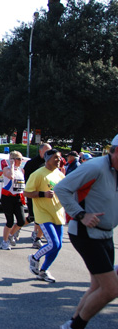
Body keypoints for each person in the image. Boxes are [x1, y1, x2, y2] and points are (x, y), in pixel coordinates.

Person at [55, 134, 118, 329]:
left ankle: (71, 324)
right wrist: (81, 214)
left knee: (97, 286)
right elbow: (61, 188)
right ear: (115, 151)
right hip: (86, 233)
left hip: (106, 233)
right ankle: (76, 326)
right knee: (111, 289)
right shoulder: (95, 166)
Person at [24, 148, 66, 283]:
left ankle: (43, 271)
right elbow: (27, 193)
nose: (59, 160)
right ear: (47, 159)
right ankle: (34, 258)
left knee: (58, 246)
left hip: (57, 213)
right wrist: (43, 194)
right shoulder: (38, 174)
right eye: (56, 157)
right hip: (43, 214)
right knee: (53, 243)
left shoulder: (60, 174)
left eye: (59, 158)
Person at [24, 143, 52, 248]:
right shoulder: (31, 164)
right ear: (40, 151)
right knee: (32, 217)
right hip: (33, 194)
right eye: (46, 151)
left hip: (46, 195)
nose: (48, 154)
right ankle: (15, 229)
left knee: (43, 217)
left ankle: (37, 237)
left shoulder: (49, 163)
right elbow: (28, 181)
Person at [0, 151, 26, 250]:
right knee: (10, 221)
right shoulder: (6, 169)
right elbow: (11, 176)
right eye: (19, 159)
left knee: (21, 221)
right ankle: (4, 241)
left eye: (21, 159)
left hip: (18, 197)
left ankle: (10, 235)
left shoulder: (21, 170)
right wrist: (11, 165)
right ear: (13, 160)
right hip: (8, 198)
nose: (21, 161)